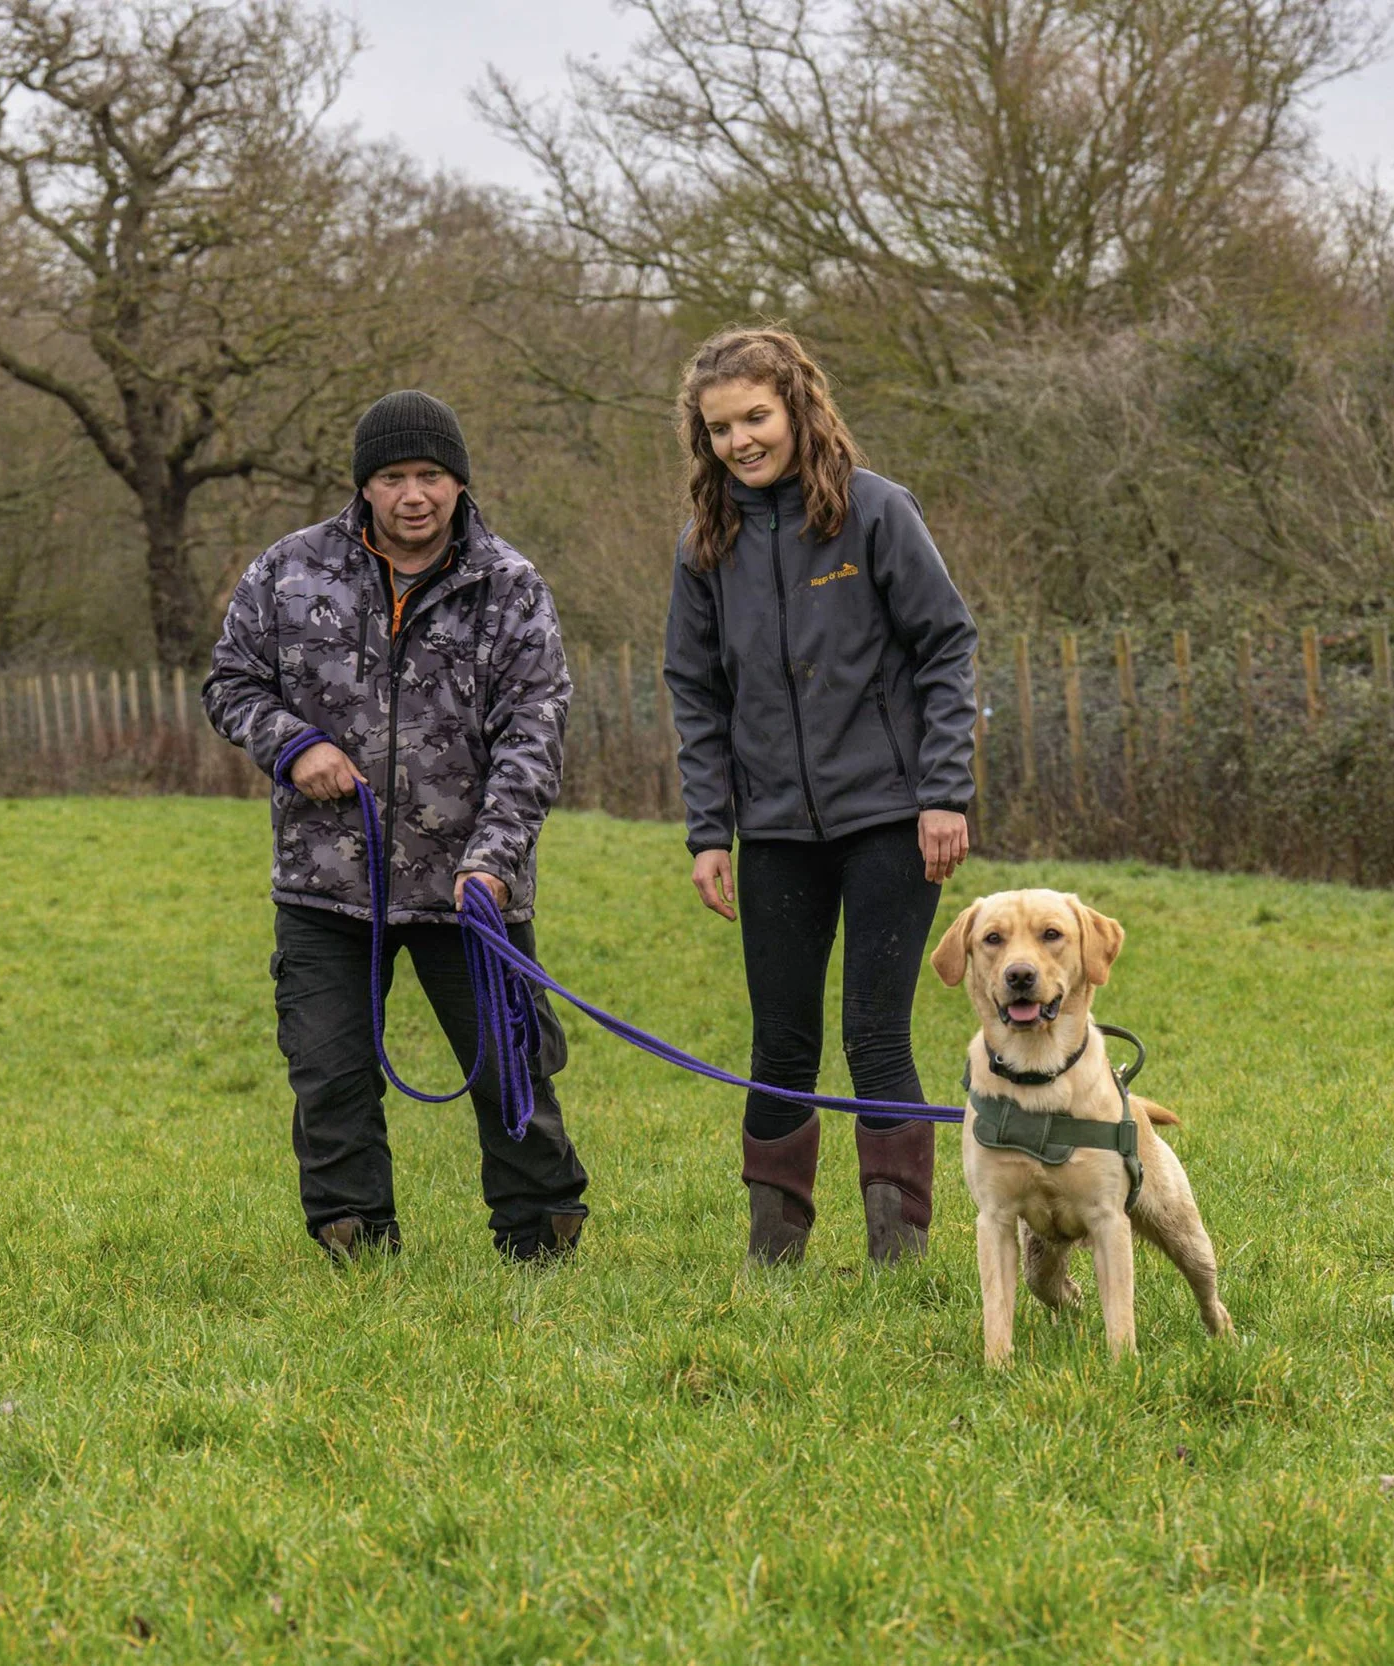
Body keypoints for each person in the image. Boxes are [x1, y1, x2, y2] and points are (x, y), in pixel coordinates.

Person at [204, 390, 589, 1264]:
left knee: (511, 1066)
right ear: (365, 487)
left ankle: (541, 1233)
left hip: (472, 891)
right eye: (392, 477)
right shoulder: (288, 572)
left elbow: (535, 733)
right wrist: (293, 744)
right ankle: (354, 1241)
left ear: (458, 483)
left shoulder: (512, 588)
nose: (413, 495)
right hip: (326, 884)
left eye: (431, 476)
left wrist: (492, 861)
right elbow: (229, 683)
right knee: (329, 1073)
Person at [662, 327, 978, 1267]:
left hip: (891, 817)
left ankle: (900, 1256)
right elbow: (695, 693)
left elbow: (946, 649)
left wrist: (944, 793)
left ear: (799, 408)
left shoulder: (878, 514)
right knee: (781, 1043)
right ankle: (775, 1255)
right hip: (771, 832)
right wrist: (708, 832)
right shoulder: (702, 547)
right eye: (720, 428)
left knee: (876, 1034)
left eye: (756, 417)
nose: (740, 441)